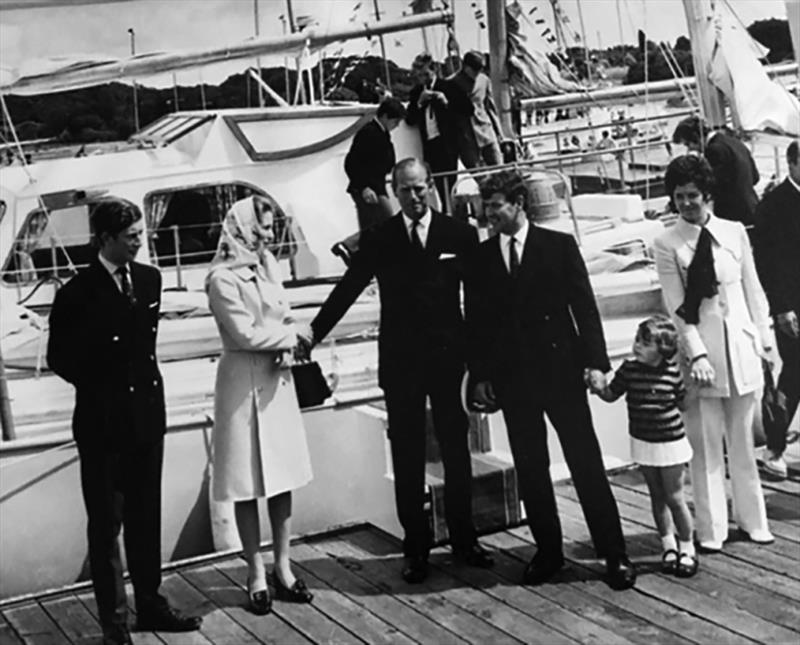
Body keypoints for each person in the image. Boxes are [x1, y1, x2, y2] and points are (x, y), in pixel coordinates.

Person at [304, 158, 493, 584]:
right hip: (402, 363)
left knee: (456, 450)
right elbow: (348, 289)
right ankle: (416, 548)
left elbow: (481, 300)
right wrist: (313, 333)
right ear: (395, 191)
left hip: (449, 362)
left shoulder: (458, 234)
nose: (414, 196)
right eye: (405, 190)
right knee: (407, 456)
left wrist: (482, 363)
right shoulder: (380, 238)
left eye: (420, 187)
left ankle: (465, 538)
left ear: (430, 186)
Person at [466, 169, 636, 591]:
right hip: (513, 380)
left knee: (585, 463)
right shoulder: (483, 258)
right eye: (486, 208)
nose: (489, 215)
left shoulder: (558, 247)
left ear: (519, 204)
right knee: (531, 468)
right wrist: (482, 376)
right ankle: (549, 552)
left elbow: (585, 307)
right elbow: (478, 324)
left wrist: (598, 364)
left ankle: (614, 553)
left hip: (562, 374)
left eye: (496, 207)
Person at [47, 199, 202, 645]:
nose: (140, 242)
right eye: (131, 237)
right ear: (105, 239)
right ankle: (115, 625)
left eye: (141, 234)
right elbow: (60, 357)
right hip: (102, 425)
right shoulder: (77, 293)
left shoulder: (150, 280)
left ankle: (150, 603)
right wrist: (103, 386)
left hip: (147, 418)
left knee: (145, 515)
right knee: (105, 526)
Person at [654, 154, 774, 553]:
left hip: (740, 348)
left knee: (742, 441)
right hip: (701, 358)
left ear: (707, 195)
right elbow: (675, 306)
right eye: (679, 197)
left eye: (692, 196)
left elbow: (753, 290)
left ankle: (753, 520)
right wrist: (697, 355)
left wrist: (764, 340)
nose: (686, 204)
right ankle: (710, 530)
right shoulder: (667, 243)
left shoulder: (734, 232)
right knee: (704, 448)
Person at [206, 196, 314, 615]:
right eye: (263, 228)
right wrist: (293, 339)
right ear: (244, 228)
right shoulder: (221, 279)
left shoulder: (266, 265)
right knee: (246, 483)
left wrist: (287, 341)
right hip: (241, 384)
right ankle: (254, 570)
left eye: (270, 229)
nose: (268, 237)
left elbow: (281, 313)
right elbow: (244, 335)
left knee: (281, 477)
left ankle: (283, 567)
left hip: (275, 380)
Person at [592, 316, 698, 577]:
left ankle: (687, 547)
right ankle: (668, 544)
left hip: (670, 443)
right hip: (643, 441)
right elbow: (610, 394)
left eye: (646, 343)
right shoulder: (628, 370)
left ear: (662, 350)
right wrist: (597, 386)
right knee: (656, 495)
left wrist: (696, 384)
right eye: (637, 340)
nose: (637, 346)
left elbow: (684, 404)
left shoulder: (671, 372)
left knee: (674, 497)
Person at [753, 140, 800, 480]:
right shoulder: (774, 204)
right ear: (792, 163)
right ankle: (774, 448)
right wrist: (781, 308)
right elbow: (768, 262)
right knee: (794, 377)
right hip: (792, 307)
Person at [333, 97, 407, 264]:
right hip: (369, 188)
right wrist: (364, 187)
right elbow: (352, 163)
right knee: (390, 224)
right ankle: (349, 245)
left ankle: (360, 260)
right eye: (396, 121)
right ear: (386, 117)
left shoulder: (381, 133)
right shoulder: (370, 133)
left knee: (371, 228)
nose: (397, 126)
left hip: (375, 185)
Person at [405, 53, 473, 211]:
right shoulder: (416, 93)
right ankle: (448, 213)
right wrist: (420, 103)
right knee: (438, 186)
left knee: (450, 184)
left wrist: (446, 102)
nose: (423, 78)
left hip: (449, 144)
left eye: (425, 74)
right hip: (430, 145)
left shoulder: (449, 87)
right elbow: (410, 120)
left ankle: (452, 214)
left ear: (434, 70)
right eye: (420, 75)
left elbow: (468, 109)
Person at [672, 115, 760, 228]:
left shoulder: (714, 150)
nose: (690, 149)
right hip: (752, 208)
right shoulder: (735, 142)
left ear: (696, 138)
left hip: (732, 214)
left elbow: (711, 185)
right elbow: (755, 177)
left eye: (689, 144)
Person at [448, 50, 503, 169]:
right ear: (466, 67)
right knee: (479, 175)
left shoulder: (484, 80)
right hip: (465, 136)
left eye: (480, 70)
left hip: (486, 132)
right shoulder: (451, 83)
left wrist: (499, 132)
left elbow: (491, 108)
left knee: (500, 170)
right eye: (475, 70)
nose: (477, 73)